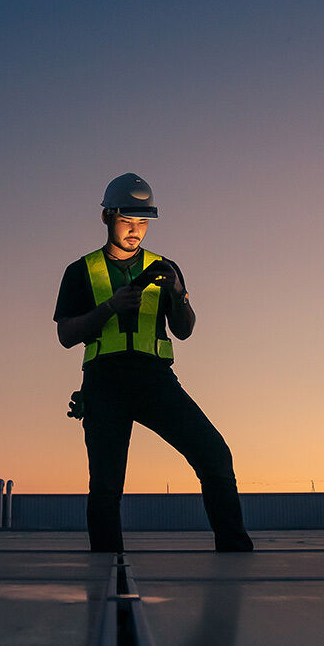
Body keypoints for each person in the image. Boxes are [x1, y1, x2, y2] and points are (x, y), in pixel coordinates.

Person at [54, 173, 253, 553]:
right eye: (127, 221)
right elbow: (65, 335)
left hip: (156, 381)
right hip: (104, 383)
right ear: (106, 217)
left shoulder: (166, 266)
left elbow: (185, 330)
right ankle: (107, 565)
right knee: (106, 485)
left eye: (143, 222)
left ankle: (235, 552)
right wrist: (110, 307)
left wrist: (178, 295)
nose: (135, 230)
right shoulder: (80, 271)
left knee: (214, 455)